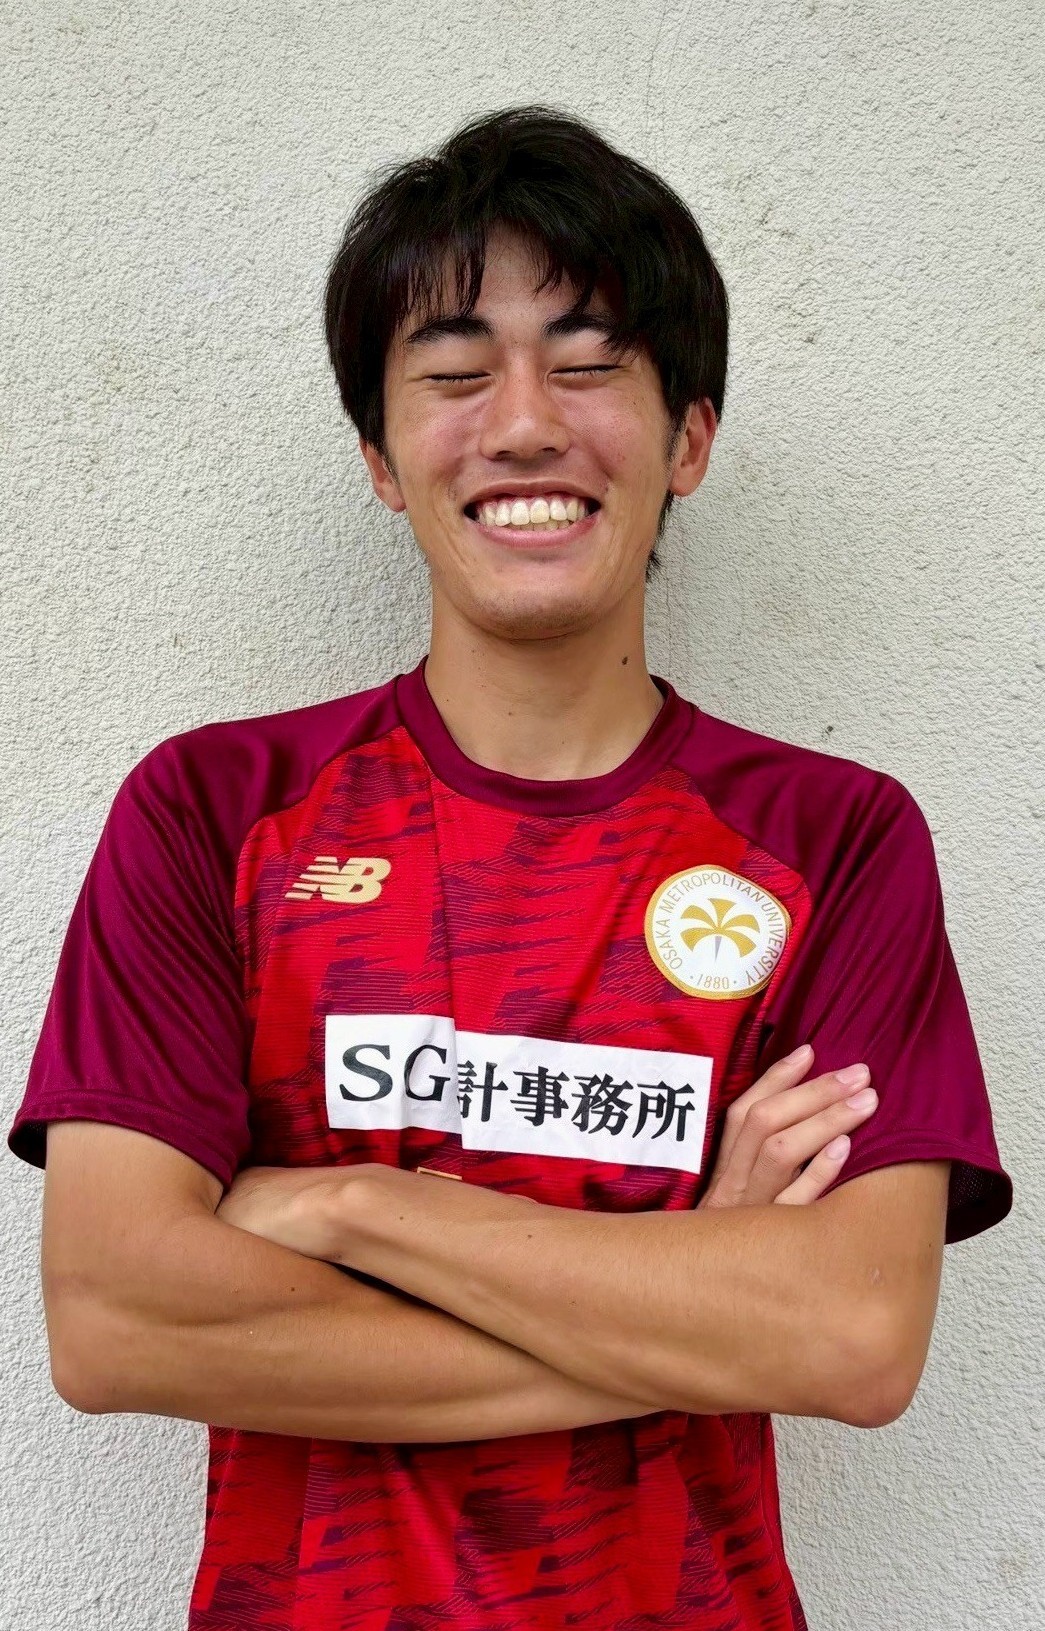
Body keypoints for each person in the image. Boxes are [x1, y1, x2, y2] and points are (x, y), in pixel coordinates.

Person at [9, 105, 1011, 1631]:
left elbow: (853, 1340)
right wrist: (694, 1287)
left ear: (687, 439)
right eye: (455, 371)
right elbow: (114, 1320)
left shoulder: (833, 838)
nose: (525, 424)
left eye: (590, 364)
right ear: (379, 454)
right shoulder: (214, 810)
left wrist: (351, 1209)